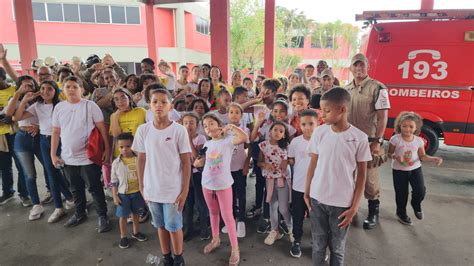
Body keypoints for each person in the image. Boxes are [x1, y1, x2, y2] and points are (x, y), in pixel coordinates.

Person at [304, 88, 372, 265]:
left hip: (342, 205)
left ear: (342, 110)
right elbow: (313, 164)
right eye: (321, 110)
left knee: (337, 247)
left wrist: (354, 207)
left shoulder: (359, 138)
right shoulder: (319, 132)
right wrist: (307, 191)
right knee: (318, 246)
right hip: (317, 200)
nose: (322, 115)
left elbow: (362, 176)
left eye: (326, 111)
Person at [132, 86, 191, 266]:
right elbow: (141, 160)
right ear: (149, 106)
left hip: (173, 189)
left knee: (174, 226)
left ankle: (179, 257)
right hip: (152, 188)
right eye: (155, 102)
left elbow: (186, 162)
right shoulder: (143, 130)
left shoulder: (179, 131)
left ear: (170, 106)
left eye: (163, 102)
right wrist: (141, 185)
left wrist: (185, 189)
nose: (159, 105)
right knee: (160, 225)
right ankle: (166, 257)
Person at [51, 76, 111, 232]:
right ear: (63, 90)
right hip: (68, 158)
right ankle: (79, 213)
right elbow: (56, 132)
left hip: (88, 158)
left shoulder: (90, 106)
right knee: (75, 189)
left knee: (95, 187)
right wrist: (53, 154)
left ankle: (102, 216)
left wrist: (106, 149)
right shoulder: (59, 108)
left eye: (75, 86)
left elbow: (102, 129)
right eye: (67, 87)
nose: (71, 89)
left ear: (82, 89)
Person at [13, 80, 74, 223]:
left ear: (55, 91)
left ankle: (74, 200)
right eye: (43, 88)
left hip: (61, 141)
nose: (45, 91)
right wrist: (25, 101)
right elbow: (17, 117)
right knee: (51, 172)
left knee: (67, 172)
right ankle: (59, 207)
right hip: (44, 142)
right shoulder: (37, 106)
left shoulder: (61, 106)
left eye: (49, 89)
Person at [193, 113, 248, 266]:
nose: (208, 127)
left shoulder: (228, 141)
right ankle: (215, 239)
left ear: (219, 125)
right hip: (207, 184)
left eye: (211, 123)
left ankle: (235, 248)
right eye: (205, 125)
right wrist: (198, 162)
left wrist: (231, 127)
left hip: (223, 185)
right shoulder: (207, 144)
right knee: (213, 213)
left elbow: (243, 138)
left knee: (228, 216)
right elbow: (203, 161)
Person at [345, 53, 391, 230]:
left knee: (370, 181)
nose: (359, 69)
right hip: (348, 141)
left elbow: (382, 116)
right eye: (355, 65)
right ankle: (351, 208)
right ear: (351, 68)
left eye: (362, 65)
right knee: (349, 177)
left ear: (367, 67)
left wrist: (377, 141)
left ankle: (373, 212)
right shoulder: (346, 89)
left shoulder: (378, 88)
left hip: (369, 141)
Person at [387, 112, 443, 225]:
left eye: (411, 126)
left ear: (416, 127)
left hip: (415, 169)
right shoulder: (395, 139)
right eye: (404, 126)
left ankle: (416, 205)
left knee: (420, 191)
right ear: (399, 126)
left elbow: (422, 156)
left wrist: (433, 159)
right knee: (401, 194)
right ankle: (401, 213)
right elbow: (390, 153)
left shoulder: (418, 141)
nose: (407, 129)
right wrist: (396, 157)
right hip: (399, 171)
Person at [288, 109, 318, 258]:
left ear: (318, 124)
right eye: (304, 124)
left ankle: (318, 243)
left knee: (317, 217)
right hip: (298, 186)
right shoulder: (295, 142)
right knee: (298, 215)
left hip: (317, 189)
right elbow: (291, 159)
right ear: (299, 125)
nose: (308, 127)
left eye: (311, 124)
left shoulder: (322, 141)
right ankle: (297, 240)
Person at [258, 121, 293, 245]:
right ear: (270, 131)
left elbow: (293, 160)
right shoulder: (263, 145)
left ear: (284, 135)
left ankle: (291, 229)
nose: (278, 132)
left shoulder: (287, 146)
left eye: (281, 131)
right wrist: (265, 165)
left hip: (282, 180)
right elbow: (259, 162)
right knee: (272, 206)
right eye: (275, 130)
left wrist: (287, 161)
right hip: (270, 180)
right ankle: (274, 230)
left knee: (283, 208)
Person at [111, 133, 148, 249]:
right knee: (123, 216)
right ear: (118, 147)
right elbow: (114, 180)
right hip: (123, 195)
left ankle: (136, 232)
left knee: (136, 214)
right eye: (121, 147)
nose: (125, 149)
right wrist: (114, 195)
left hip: (137, 192)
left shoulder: (139, 159)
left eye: (128, 146)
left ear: (133, 145)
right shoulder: (116, 163)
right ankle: (123, 236)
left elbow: (145, 176)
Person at [181, 112, 210, 241]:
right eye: (185, 123)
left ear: (197, 125)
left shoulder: (201, 139)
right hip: (184, 175)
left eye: (191, 122)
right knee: (187, 204)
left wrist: (187, 138)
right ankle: (188, 229)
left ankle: (205, 229)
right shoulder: (178, 138)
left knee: (200, 203)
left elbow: (195, 157)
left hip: (197, 175)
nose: (188, 125)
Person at [225, 103, 251, 238]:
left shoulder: (244, 129)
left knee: (240, 194)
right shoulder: (224, 130)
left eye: (237, 112)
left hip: (240, 167)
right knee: (229, 195)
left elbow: (248, 145)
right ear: (228, 114)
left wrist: (247, 163)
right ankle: (232, 219)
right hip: (227, 169)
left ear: (241, 115)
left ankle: (241, 220)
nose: (234, 115)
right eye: (231, 112)